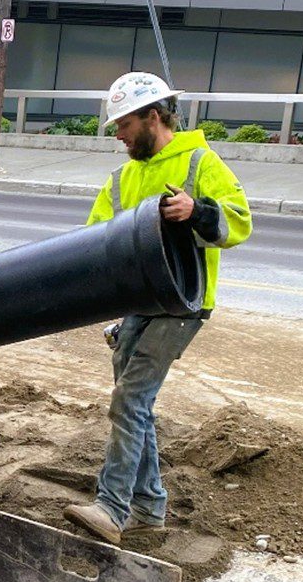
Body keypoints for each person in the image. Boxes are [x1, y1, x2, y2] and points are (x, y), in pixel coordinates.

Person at [64, 72, 251, 546]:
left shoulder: (198, 162)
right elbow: (94, 240)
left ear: (153, 116)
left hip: (181, 304)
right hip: (136, 304)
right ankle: (149, 505)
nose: (120, 136)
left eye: (125, 125)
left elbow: (240, 223)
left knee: (130, 399)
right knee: (136, 403)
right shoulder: (123, 177)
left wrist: (200, 212)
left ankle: (112, 507)